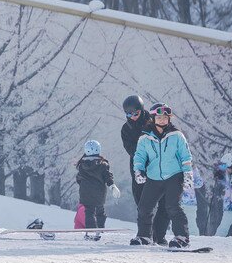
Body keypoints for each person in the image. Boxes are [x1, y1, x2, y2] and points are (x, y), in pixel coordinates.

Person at [131, 103, 194, 248]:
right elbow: (139, 156)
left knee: (172, 206)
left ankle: (181, 237)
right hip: (153, 176)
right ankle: (144, 236)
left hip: (174, 175)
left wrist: (188, 174)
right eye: (159, 117)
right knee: (144, 207)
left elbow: (185, 156)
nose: (162, 120)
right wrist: (138, 170)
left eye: (165, 117)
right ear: (153, 118)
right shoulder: (145, 137)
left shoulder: (177, 136)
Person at [120, 95, 167, 242]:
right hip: (139, 169)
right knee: (143, 204)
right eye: (129, 114)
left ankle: (159, 236)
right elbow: (131, 150)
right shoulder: (126, 129)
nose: (132, 117)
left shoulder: (154, 121)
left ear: (142, 110)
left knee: (165, 203)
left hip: (160, 168)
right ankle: (144, 235)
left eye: (135, 113)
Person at [75, 139, 118, 237]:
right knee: (100, 211)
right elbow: (108, 176)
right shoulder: (103, 164)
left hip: (85, 192)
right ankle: (100, 230)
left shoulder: (82, 165)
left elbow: (78, 179)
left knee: (89, 211)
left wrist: (83, 185)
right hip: (99, 192)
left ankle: (90, 231)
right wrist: (112, 185)